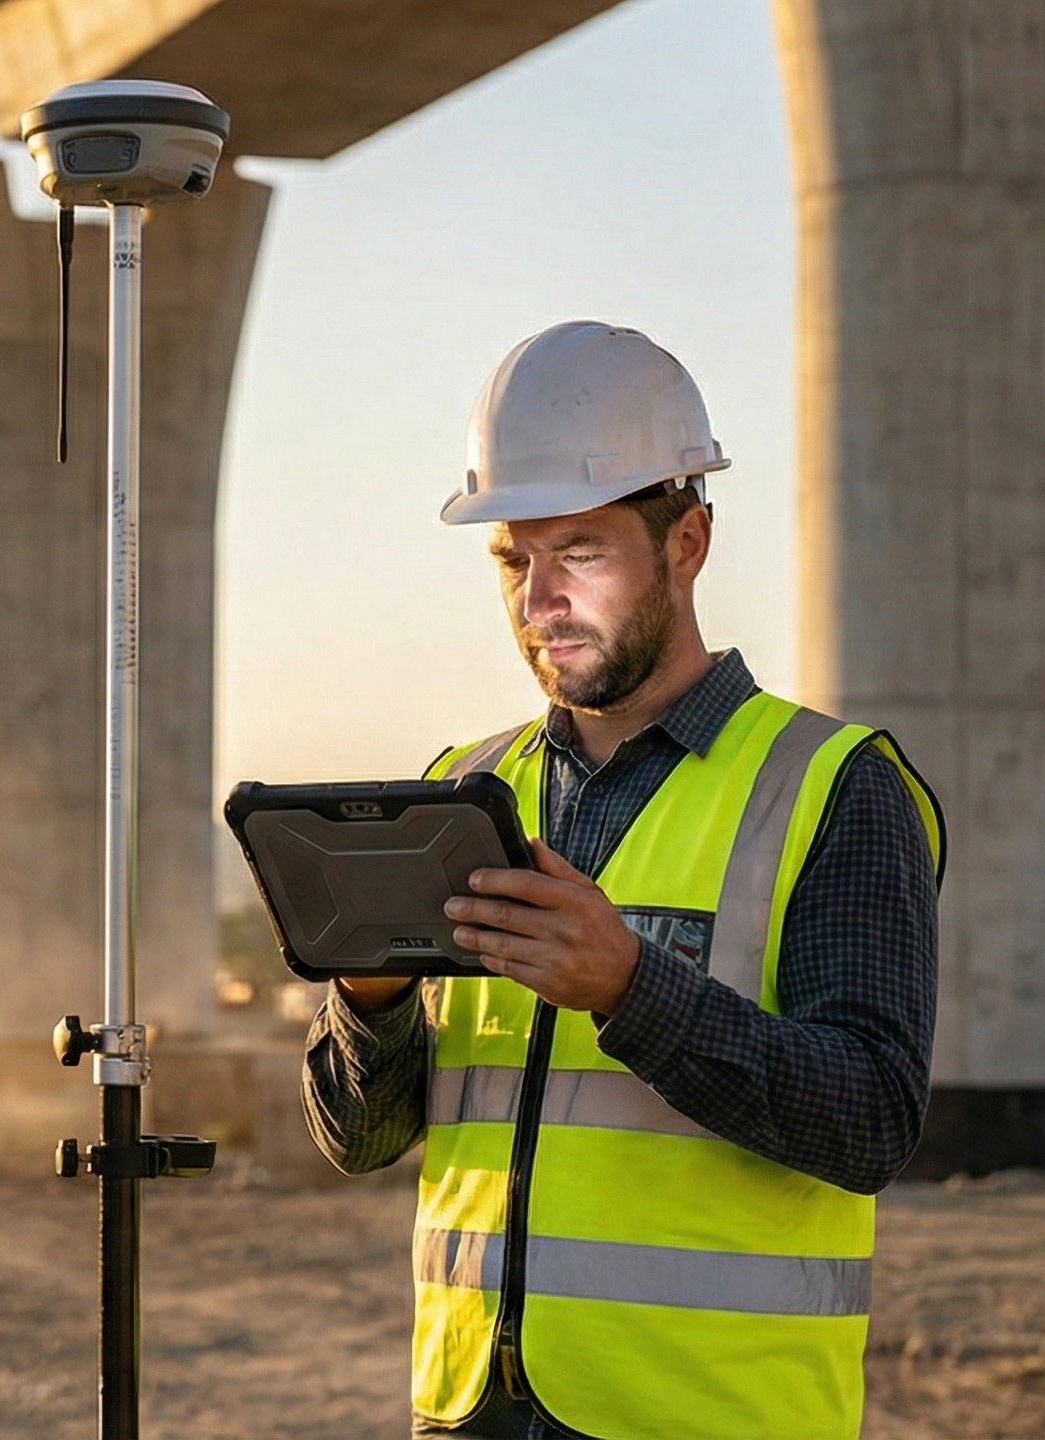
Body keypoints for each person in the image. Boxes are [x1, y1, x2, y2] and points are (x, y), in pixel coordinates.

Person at [302, 321, 945, 1439]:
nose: (537, 599)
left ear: (685, 543)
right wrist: (371, 1003)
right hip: (468, 1411)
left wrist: (628, 990)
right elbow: (359, 1141)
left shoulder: (832, 788)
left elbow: (871, 1121)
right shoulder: (461, 790)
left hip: (709, 1414)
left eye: (580, 553)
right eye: (512, 558)